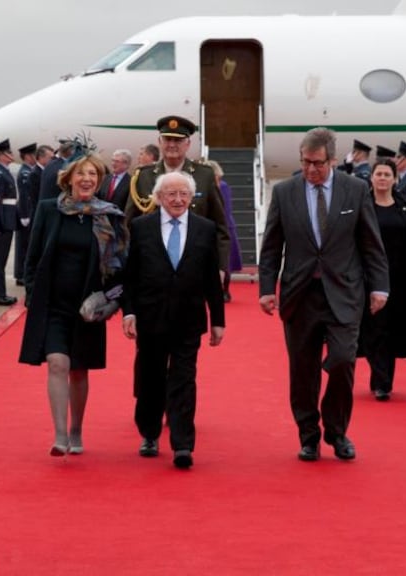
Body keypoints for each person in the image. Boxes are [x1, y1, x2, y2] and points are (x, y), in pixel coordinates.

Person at [258, 127, 389, 462]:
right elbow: (272, 246)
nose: (311, 170)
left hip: (343, 293)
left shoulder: (355, 190)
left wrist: (379, 286)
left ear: (332, 159)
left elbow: (370, 243)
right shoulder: (286, 192)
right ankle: (309, 435)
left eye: (317, 163)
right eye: (305, 162)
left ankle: (337, 431)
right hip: (300, 295)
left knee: (344, 361)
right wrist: (265, 289)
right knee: (303, 370)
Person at [20, 154, 129, 456]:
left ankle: (76, 428)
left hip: (88, 306)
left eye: (93, 174)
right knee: (58, 363)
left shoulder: (108, 216)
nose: (87, 179)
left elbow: (120, 265)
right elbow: (32, 256)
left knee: (79, 371)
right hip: (53, 303)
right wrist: (32, 293)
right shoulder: (49, 210)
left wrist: (112, 300)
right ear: (68, 178)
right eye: (82, 173)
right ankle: (58, 433)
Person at [123, 172, 225, 469]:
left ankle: (182, 444)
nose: (178, 200)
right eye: (171, 194)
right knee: (151, 377)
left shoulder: (205, 229)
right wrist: (129, 312)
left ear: (192, 197)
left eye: (183, 194)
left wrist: (218, 319)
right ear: (158, 197)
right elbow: (130, 276)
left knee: (184, 379)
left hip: (189, 318)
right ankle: (150, 433)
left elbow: (211, 279)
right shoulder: (141, 227)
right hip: (150, 317)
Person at [357, 159, 406, 401]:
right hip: (369, 279)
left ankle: (383, 381)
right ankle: (379, 377)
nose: (382, 178)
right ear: (371, 178)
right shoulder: (362, 206)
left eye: (386, 174)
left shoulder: (405, 207)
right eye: (378, 174)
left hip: (400, 280)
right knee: (374, 329)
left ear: (394, 179)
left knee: (390, 330)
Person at [124, 115, 230, 274]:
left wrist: (221, 267)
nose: (172, 145)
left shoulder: (204, 175)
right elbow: (128, 223)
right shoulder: (142, 176)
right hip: (150, 266)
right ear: (159, 142)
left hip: (194, 266)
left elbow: (220, 226)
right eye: (167, 139)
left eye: (178, 140)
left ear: (188, 144)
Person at [205, 160, 242, 302]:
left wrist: (220, 228)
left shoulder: (223, 186)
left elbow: (225, 210)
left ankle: (225, 290)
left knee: (225, 261)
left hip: (223, 227)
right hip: (209, 226)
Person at [0, 139, 19, 307]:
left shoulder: (5, 172)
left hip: (8, 221)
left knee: (1, 260)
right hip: (2, 223)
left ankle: (0, 292)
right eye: (8, 153)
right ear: (1, 156)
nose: (12, 155)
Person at [14, 142, 38, 286]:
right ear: (28, 156)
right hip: (25, 213)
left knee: (26, 245)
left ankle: (22, 273)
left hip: (28, 212)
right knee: (23, 246)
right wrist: (24, 215)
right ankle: (20, 274)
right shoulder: (25, 172)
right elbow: (24, 196)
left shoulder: (29, 171)